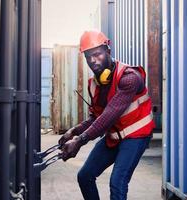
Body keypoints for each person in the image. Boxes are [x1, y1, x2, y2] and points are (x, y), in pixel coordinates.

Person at [59, 30, 155, 200]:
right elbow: (96, 117)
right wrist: (73, 132)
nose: (92, 61)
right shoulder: (95, 84)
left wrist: (80, 141)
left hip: (136, 136)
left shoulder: (129, 78)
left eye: (97, 55)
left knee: (117, 182)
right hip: (114, 137)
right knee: (85, 176)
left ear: (108, 52)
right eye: (88, 56)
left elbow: (109, 115)